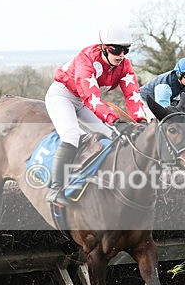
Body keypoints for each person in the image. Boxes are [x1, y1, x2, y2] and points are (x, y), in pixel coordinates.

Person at [44, 23, 147, 206]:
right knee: (72, 135)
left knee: (113, 136)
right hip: (63, 96)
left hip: (85, 101)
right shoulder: (87, 60)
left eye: (126, 50)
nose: (121, 55)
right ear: (103, 48)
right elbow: (91, 98)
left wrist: (141, 120)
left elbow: (132, 94)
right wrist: (114, 120)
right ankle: (56, 189)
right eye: (116, 50)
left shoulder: (124, 65)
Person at [139, 57, 185, 123]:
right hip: (143, 100)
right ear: (179, 74)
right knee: (155, 123)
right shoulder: (164, 86)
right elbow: (163, 112)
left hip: (159, 100)